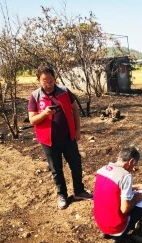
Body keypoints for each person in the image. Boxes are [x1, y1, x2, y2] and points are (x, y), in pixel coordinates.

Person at [28, 65, 92, 210]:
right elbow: (32, 120)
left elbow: (74, 109)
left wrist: (77, 130)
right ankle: (62, 195)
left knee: (76, 164)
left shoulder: (64, 91)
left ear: (54, 79)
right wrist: (44, 114)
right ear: (39, 80)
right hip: (48, 141)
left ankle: (79, 191)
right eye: (45, 82)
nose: (49, 85)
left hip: (68, 137)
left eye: (51, 81)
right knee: (56, 169)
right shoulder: (35, 96)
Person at [93, 146, 142, 241]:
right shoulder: (126, 176)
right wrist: (137, 198)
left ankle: (107, 233)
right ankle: (119, 236)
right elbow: (125, 209)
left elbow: (113, 188)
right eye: (134, 165)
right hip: (115, 227)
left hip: (100, 223)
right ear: (131, 162)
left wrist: (138, 186)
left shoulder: (102, 170)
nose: (133, 169)